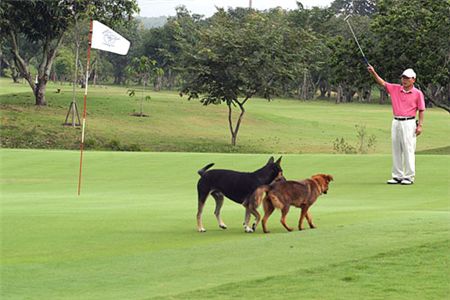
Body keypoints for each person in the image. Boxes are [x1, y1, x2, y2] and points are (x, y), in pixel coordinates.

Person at [367, 65, 425, 185]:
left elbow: (421, 110)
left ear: (413, 79)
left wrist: (420, 125)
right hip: (396, 122)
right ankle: (398, 175)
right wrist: (373, 72)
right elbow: (382, 83)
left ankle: (409, 176)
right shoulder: (395, 89)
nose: (404, 80)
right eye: (403, 78)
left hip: (409, 123)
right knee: (396, 149)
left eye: (407, 78)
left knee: (408, 149)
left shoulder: (418, 93)